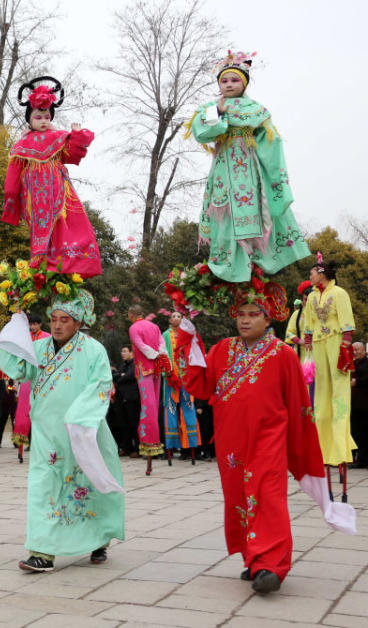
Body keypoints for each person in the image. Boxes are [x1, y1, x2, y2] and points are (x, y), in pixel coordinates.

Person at [179, 283, 356, 593]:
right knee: (240, 499)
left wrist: (300, 446)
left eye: (254, 315)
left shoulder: (283, 354)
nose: (245, 320)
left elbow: (300, 407)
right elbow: (200, 385)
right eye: (241, 314)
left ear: (268, 318)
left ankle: (271, 566)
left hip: (268, 441)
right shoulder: (222, 349)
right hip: (231, 444)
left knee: (267, 496)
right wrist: (188, 335)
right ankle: (254, 557)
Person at [0, 290, 125, 572]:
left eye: (64, 320)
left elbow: (102, 385)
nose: (56, 325)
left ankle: (98, 539)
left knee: (88, 488)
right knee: (43, 488)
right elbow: (17, 368)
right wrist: (16, 323)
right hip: (46, 434)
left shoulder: (93, 350)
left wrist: (80, 417)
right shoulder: (40, 349)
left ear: (77, 323)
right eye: (53, 319)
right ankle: (42, 551)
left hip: (84, 433)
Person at [186, 51, 310, 282]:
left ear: (244, 83)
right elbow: (201, 133)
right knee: (225, 213)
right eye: (224, 80)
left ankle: (256, 263)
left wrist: (272, 177)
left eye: (234, 80)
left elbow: (271, 142)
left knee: (254, 211)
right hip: (223, 170)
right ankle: (227, 264)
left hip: (249, 171)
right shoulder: (212, 107)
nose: (229, 84)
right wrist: (220, 114)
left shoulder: (255, 110)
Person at [1, 76, 100, 277]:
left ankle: (69, 264)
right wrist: (11, 203)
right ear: (29, 118)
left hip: (60, 194)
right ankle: (45, 262)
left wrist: (77, 134)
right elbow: (12, 178)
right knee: (42, 229)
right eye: (39, 117)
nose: (44, 121)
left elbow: (72, 155)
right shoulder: (22, 145)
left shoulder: (58, 138)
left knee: (70, 227)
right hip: (35, 197)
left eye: (47, 117)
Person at [303, 255, 357, 476]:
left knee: (339, 393)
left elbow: (347, 323)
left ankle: (340, 446)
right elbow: (309, 323)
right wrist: (307, 344)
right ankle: (322, 447)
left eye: (312, 272)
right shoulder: (313, 296)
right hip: (318, 344)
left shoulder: (339, 293)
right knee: (321, 395)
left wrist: (346, 349)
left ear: (322, 274)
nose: (310, 276)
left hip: (336, 343)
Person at [127, 305, 166, 470]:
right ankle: (155, 440)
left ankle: (148, 440)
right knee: (154, 405)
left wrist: (154, 355)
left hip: (144, 368)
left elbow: (140, 345)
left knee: (148, 405)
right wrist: (160, 355)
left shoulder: (134, 327)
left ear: (131, 315)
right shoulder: (155, 326)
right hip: (156, 368)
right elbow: (161, 343)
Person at [162, 312, 201, 461]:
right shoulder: (165, 335)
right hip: (172, 378)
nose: (176, 318)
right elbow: (162, 354)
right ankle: (171, 447)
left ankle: (191, 447)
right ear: (169, 320)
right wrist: (168, 373)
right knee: (170, 410)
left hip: (186, 378)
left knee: (189, 408)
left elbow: (194, 352)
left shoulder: (188, 334)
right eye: (173, 316)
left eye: (179, 316)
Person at [12, 312, 50, 462]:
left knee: (42, 412)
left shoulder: (47, 337)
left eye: (35, 324)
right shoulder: (25, 338)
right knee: (23, 411)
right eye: (31, 324)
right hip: (27, 377)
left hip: (42, 376)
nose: (32, 327)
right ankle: (21, 445)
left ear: (40, 324)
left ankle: (44, 445)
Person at [112, 345, 140, 457]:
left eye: (124, 351)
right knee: (124, 424)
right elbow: (113, 376)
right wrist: (120, 375)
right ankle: (126, 447)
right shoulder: (123, 365)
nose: (122, 353)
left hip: (132, 398)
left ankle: (137, 449)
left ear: (131, 353)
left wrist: (120, 376)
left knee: (134, 424)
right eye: (121, 351)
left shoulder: (135, 364)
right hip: (122, 399)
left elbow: (128, 376)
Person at [351, 342, 368, 468]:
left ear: (363, 350)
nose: (355, 352)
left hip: (364, 404)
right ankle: (356, 457)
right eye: (353, 350)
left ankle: (363, 460)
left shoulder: (366, 364)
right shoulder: (351, 363)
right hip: (354, 405)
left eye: (357, 350)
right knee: (355, 432)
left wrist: (356, 382)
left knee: (364, 433)